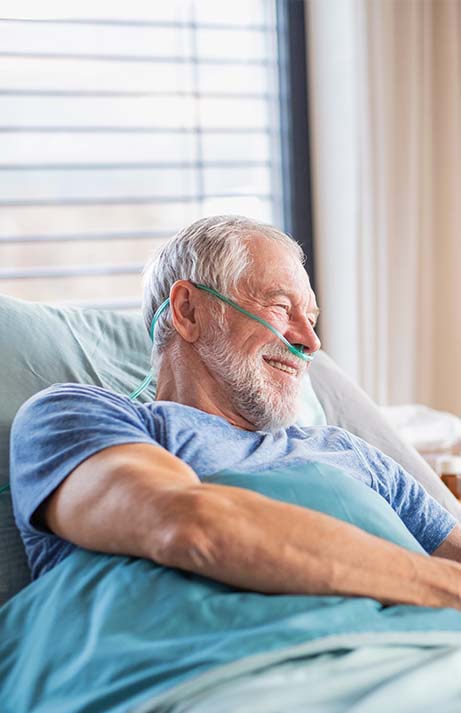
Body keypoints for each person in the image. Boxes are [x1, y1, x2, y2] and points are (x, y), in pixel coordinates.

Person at [9, 215, 461, 609]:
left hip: (410, 655)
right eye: (282, 307)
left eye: (312, 318)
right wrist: (443, 588)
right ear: (188, 310)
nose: (310, 341)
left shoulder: (350, 454)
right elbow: (186, 524)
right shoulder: (77, 416)